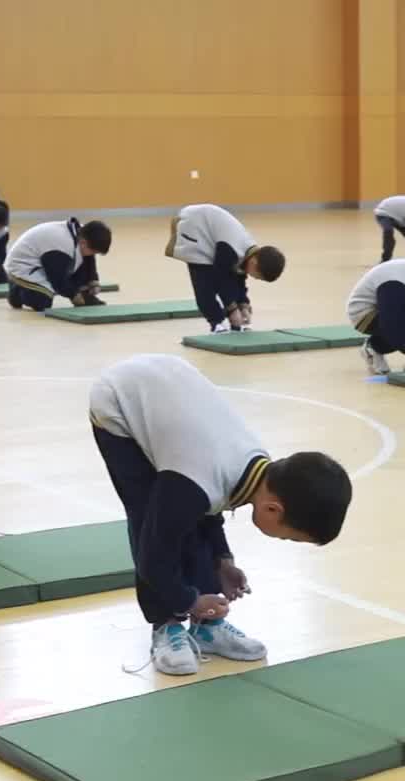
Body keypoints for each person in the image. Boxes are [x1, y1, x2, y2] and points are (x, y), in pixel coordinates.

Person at [88, 353, 353, 675]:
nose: (282, 539)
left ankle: (206, 626)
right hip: (119, 402)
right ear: (274, 508)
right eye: (288, 536)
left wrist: (222, 561)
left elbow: (211, 506)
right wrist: (188, 600)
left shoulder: (258, 470)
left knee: (186, 510)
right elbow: (153, 554)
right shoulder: (196, 479)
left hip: (172, 399)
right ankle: (165, 626)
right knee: (149, 516)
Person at [165, 203, 286, 334]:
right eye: (258, 275)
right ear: (255, 262)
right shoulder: (231, 249)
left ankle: (231, 324)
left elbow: (238, 277)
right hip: (193, 223)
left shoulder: (250, 252)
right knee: (204, 280)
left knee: (227, 276)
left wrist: (243, 304)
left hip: (209, 227)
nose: (255, 278)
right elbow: (221, 279)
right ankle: (216, 323)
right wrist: (232, 310)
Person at [4, 218, 110, 311]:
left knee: (83, 270)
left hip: (44, 261)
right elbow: (58, 280)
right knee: (42, 301)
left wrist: (93, 280)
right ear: (83, 242)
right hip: (22, 265)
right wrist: (74, 295)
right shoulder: (62, 246)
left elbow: (89, 259)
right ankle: (16, 293)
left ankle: (84, 295)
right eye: (93, 251)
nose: (93, 255)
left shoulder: (84, 234)